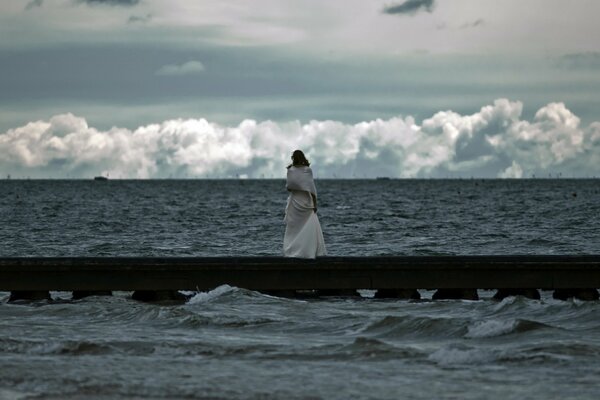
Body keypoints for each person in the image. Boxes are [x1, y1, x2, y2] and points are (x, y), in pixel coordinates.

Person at [283, 150, 327, 258]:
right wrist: (315, 204)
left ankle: (291, 250)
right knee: (308, 226)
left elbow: (289, 187)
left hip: (295, 202)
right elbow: (311, 189)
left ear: (293, 158)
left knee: (294, 228)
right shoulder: (307, 170)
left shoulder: (290, 170)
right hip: (306, 201)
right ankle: (307, 251)